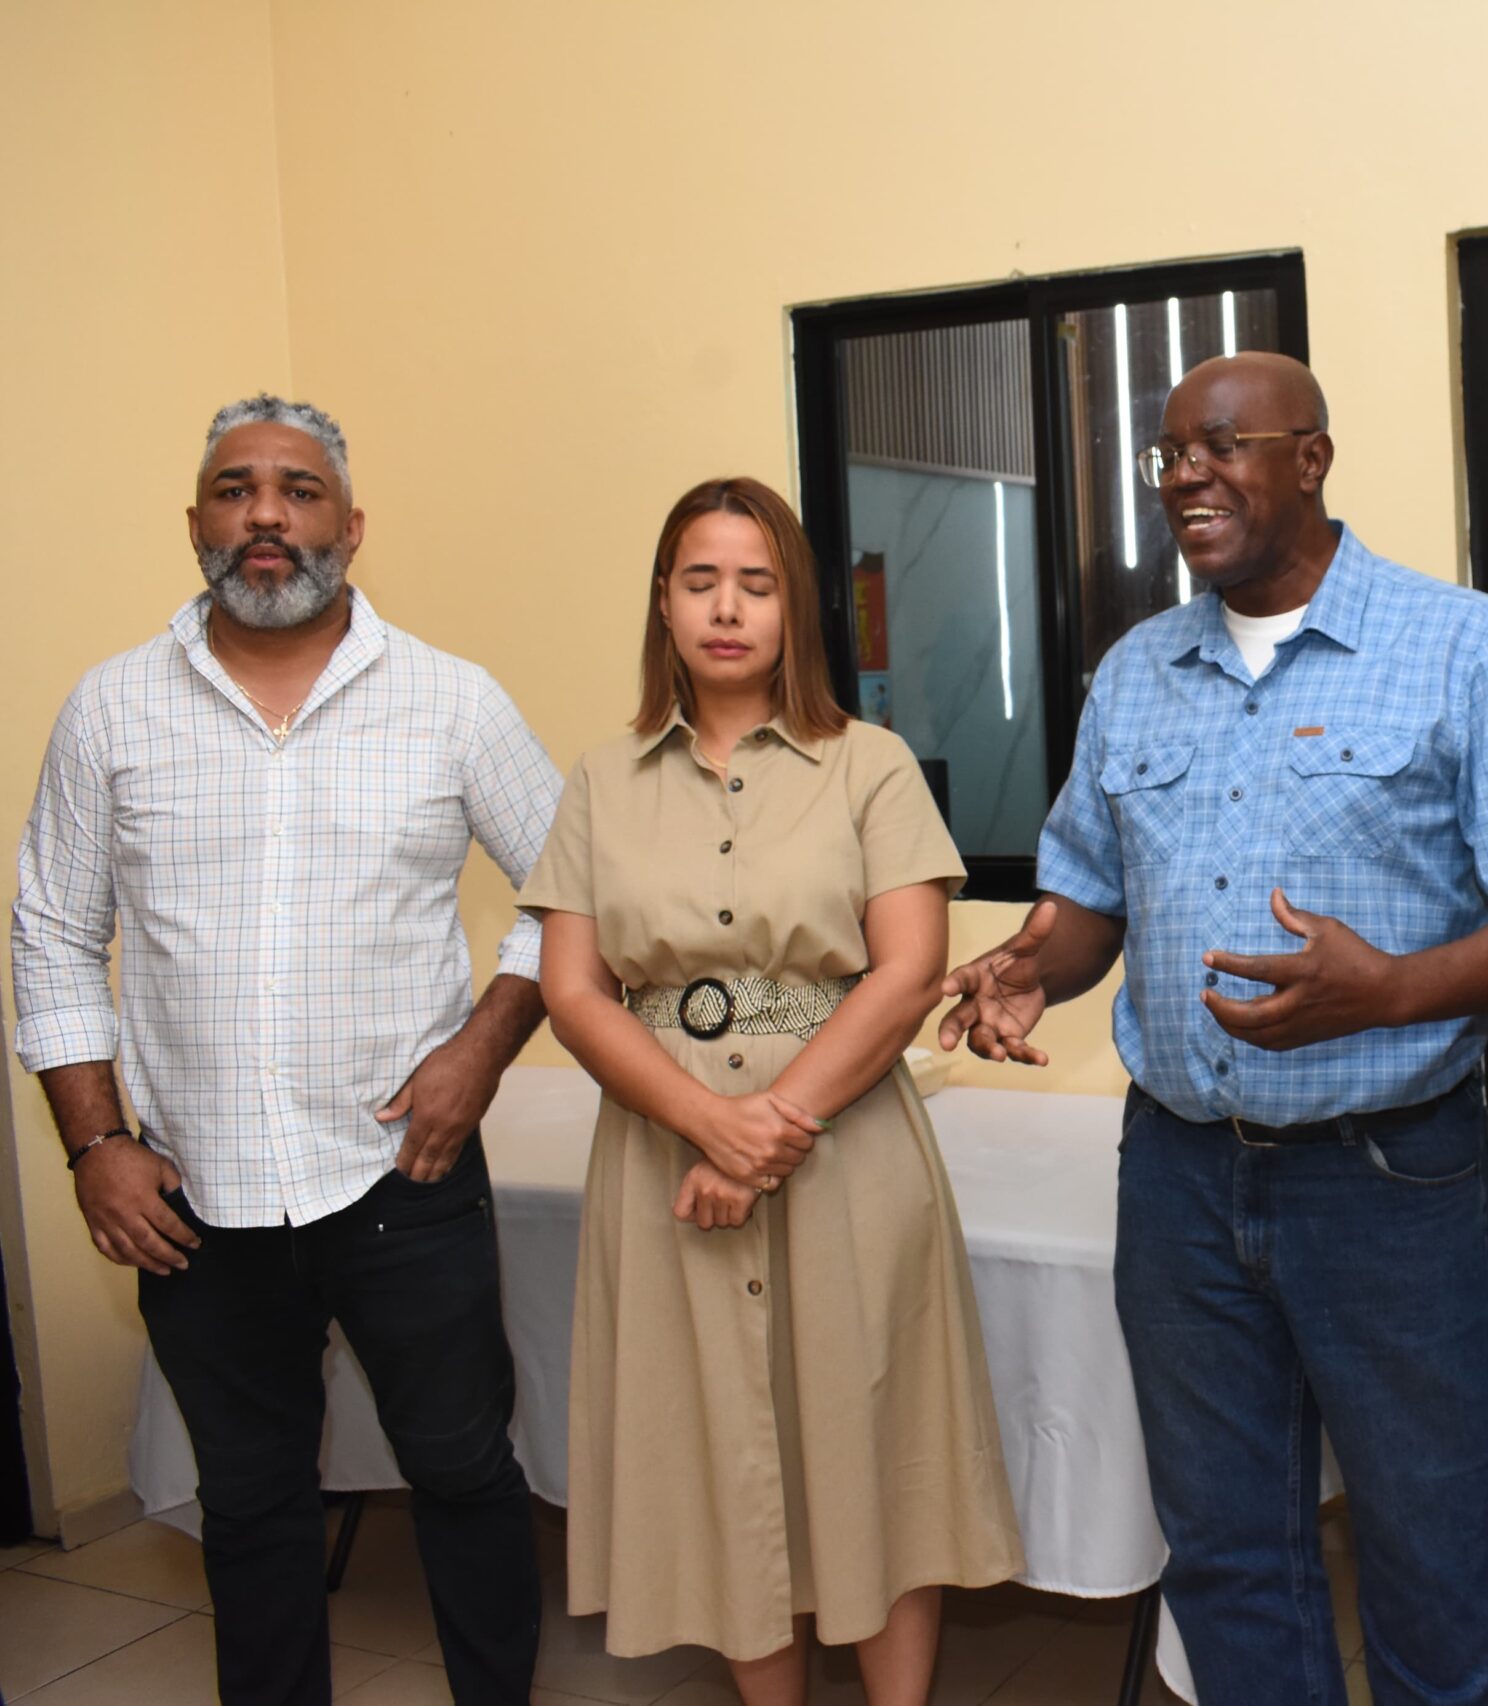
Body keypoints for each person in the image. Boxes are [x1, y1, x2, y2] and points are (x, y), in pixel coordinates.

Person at [937, 352, 1488, 1704]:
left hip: (1387, 1178)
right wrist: (1029, 966)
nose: (1187, 473)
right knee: (1228, 1550)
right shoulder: (1136, 670)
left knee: (1431, 1544)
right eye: (1171, 453)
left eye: (1222, 444)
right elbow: (1088, 899)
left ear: (1311, 458)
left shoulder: (1466, 645)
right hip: (1180, 1175)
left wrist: (1393, 989)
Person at [11, 395, 558, 1705]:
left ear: (351, 527)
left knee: (464, 1469)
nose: (267, 514)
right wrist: (95, 1143)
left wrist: (481, 1048)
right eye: (236, 488)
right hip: (193, 1194)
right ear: (195, 520)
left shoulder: (452, 700)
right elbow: (51, 931)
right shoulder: (110, 708)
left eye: (299, 491)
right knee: (252, 1501)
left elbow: (570, 893)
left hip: (403, 1174)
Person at [521, 477, 1020, 1706]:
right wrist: (708, 1123)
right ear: (663, 602)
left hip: (849, 1150)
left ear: (796, 605)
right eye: (701, 581)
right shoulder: (601, 778)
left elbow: (906, 971)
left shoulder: (870, 765)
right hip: (664, 1148)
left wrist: (766, 1131)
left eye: (756, 583)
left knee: (875, 1445)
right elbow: (573, 990)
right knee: (716, 1453)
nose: (727, 608)